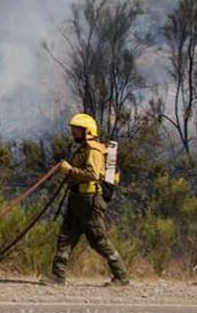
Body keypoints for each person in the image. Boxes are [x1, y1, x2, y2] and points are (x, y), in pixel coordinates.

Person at [47, 112, 129, 286]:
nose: (73, 133)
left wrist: (69, 170)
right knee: (67, 236)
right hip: (78, 198)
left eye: (77, 130)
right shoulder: (83, 149)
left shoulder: (93, 149)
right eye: (73, 129)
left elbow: (92, 174)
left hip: (89, 200)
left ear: (87, 131)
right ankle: (57, 276)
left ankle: (121, 276)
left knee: (98, 239)